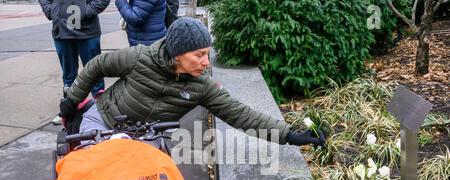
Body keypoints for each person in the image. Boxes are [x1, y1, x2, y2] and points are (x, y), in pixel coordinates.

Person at [59, 17, 325, 147]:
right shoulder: (139, 57)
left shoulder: (202, 86)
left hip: (148, 139)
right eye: (199, 55)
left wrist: (288, 135)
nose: (206, 63)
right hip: (104, 122)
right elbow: (96, 66)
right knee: (91, 177)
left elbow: (241, 115)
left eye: (207, 55)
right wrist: (72, 100)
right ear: (177, 53)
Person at [38, 0, 109, 124]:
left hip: (87, 31)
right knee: (68, 75)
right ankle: (69, 111)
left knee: (94, 71)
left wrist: (86, 11)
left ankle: (102, 110)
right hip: (61, 30)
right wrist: (52, 10)